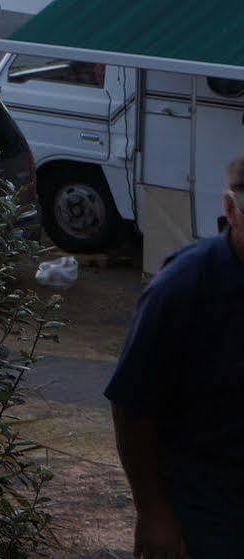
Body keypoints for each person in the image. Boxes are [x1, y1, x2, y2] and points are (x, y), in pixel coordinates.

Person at [106, 153, 244, 557]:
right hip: (207, 509)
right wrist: (154, 512)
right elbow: (131, 406)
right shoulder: (184, 286)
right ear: (230, 210)